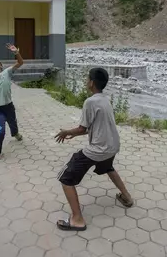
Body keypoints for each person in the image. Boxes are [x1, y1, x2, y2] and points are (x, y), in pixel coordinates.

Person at [54, 67, 134, 231]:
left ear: (91, 83)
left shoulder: (90, 102)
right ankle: (127, 197)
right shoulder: (105, 99)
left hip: (99, 149)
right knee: (108, 167)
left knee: (65, 178)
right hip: (112, 145)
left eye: (86, 78)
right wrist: (75, 135)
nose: (85, 81)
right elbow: (95, 126)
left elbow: (83, 128)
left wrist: (66, 132)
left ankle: (77, 219)